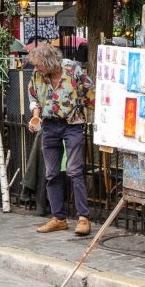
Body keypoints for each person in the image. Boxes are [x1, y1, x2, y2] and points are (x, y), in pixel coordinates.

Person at [27, 44, 94, 236]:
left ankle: (83, 217)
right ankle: (59, 218)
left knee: (74, 170)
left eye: (39, 65)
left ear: (49, 63)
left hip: (72, 124)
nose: (36, 68)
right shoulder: (38, 75)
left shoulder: (72, 69)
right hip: (49, 125)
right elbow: (34, 96)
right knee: (52, 173)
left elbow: (89, 94)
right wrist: (36, 116)